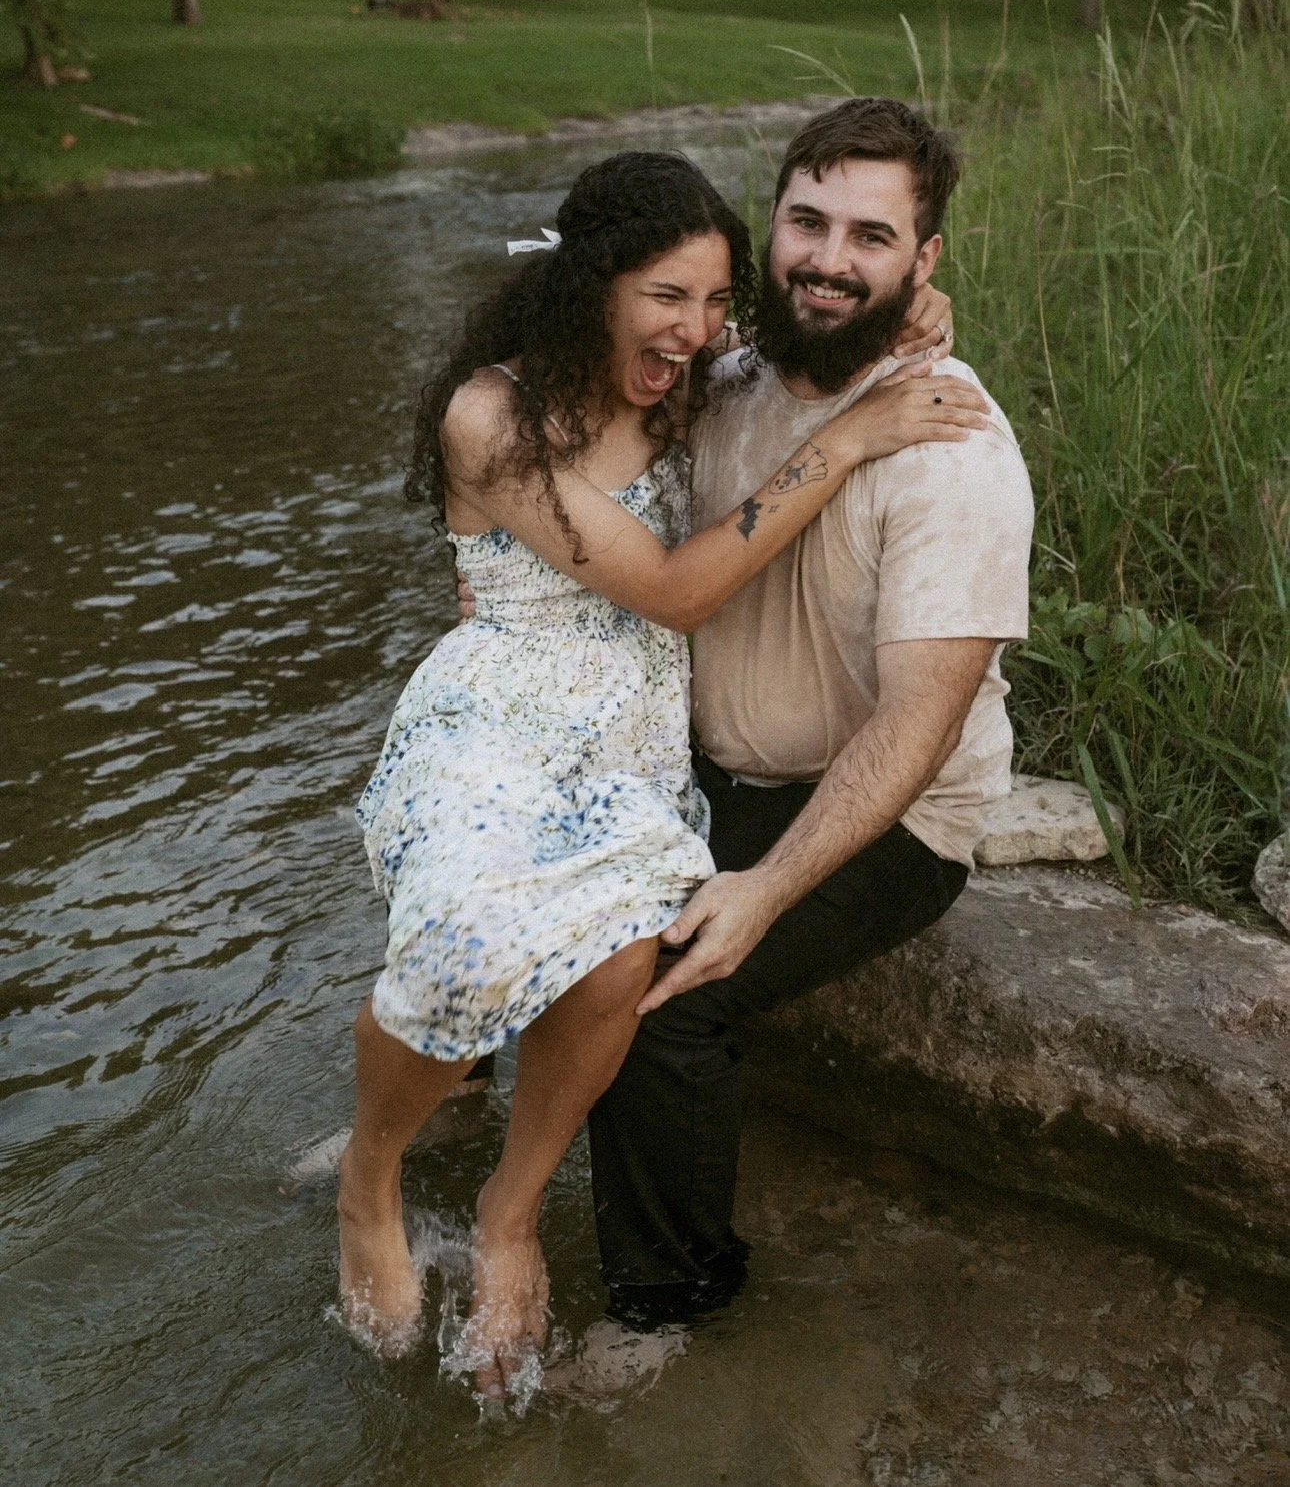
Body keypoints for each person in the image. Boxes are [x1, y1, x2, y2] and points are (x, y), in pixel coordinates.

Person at [339, 148, 989, 1395]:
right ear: (593, 284)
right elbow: (678, 588)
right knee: (465, 943)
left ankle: (510, 1209)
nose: (692, 332)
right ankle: (370, 1175)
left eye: (710, 303)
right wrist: (849, 440)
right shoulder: (493, 414)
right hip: (501, 713)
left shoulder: (695, 379)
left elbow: (812, 335)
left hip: (634, 728)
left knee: (626, 955)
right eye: (663, 297)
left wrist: (911, 311)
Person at [585, 98, 1036, 1330]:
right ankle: (436, 1084)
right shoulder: (717, 373)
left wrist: (765, 889)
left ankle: (672, 1309)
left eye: (873, 238)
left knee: (663, 991)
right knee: (496, 835)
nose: (831, 260)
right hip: (712, 771)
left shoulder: (954, 447)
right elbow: (583, 287)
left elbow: (919, 726)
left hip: (890, 812)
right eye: (809, 221)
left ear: (924, 262)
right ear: (767, 221)